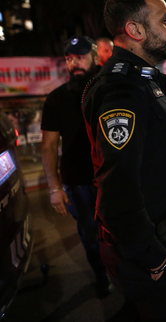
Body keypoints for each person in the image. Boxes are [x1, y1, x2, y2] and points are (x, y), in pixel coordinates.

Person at [82, 0, 166, 321]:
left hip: (161, 230)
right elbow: (116, 192)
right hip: (148, 245)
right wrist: (155, 259)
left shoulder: (141, 80)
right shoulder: (122, 90)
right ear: (135, 31)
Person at [41, 35, 113, 297]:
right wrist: (54, 188)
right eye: (69, 59)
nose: (74, 63)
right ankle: (102, 275)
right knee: (90, 235)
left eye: (80, 57)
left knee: (120, 229)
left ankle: (125, 275)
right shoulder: (57, 99)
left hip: (111, 179)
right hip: (78, 183)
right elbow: (48, 146)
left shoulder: (110, 92)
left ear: (95, 58)